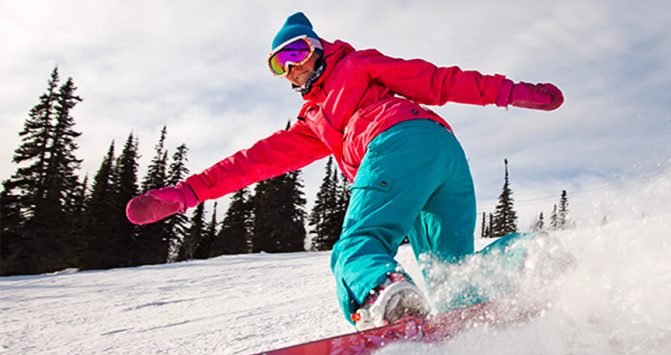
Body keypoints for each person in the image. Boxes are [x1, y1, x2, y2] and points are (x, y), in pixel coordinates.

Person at [126, 11, 563, 330]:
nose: (292, 66)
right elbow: (250, 163)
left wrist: (509, 92)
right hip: (444, 156)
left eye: (297, 52)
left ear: (318, 47)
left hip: (398, 140)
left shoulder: (356, 66)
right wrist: (187, 193)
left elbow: (438, 80)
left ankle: (383, 297)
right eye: (280, 64)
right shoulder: (312, 124)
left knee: (357, 247)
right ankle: (530, 258)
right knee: (453, 279)